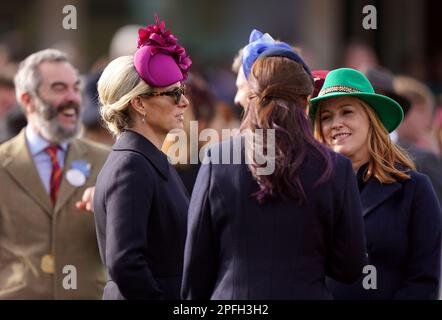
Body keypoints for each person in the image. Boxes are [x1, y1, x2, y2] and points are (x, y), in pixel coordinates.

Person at [181, 33, 367, 300]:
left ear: (252, 97)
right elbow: (350, 266)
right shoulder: (336, 167)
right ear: (305, 102)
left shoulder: (217, 158)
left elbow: (196, 262)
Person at [311, 68, 442, 299]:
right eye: (326, 117)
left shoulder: (415, 189)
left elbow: (423, 281)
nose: (336, 123)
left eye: (347, 112)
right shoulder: (310, 190)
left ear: (372, 119)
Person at [93, 17, 191, 300]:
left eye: (182, 91)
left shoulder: (145, 160)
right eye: (173, 94)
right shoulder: (132, 165)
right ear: (139, 103)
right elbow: (125, 263)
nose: (183, 101)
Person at [0, 49, 110, 299]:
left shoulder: (107, 161)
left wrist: (110, 208)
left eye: (75, 88)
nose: (73, 98)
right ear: (27, 100)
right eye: (59, 88)